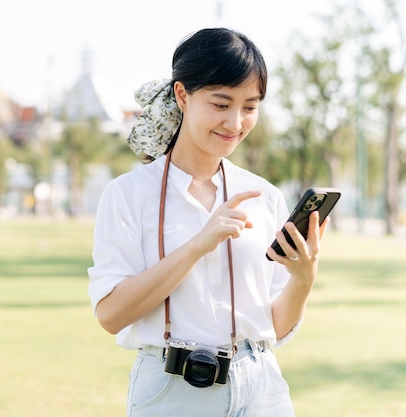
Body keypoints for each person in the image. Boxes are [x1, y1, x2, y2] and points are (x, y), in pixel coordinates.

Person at [87, 27, 330, 417]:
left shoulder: (263, 195)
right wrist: (199, 244)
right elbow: (111, 316)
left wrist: (304, 277)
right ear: (183, 95)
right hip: (172, 390)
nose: (235, 122)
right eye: (221, 104)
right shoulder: (128, 194)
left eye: (249, 107)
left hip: (261, 388)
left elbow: (276, 326)